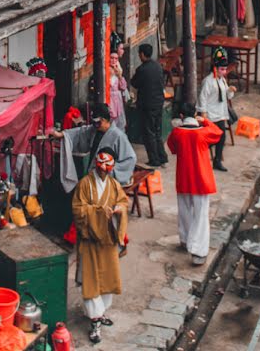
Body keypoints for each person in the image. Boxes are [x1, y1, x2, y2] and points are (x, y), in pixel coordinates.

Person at [71, 148, 129, 343]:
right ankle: (94, 321)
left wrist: (119, 209)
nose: (104, 169)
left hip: (108, 240)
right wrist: (98, 212)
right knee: (90, 280)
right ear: (96, 163)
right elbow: (78, 209)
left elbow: (122, 201)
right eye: (101, 165)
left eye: (108, 166)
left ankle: (101, 312)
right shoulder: (85, 184)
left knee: (107, 279)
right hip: (90, 240)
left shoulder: (114, 185)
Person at [167, 103, 224, 265]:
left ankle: (185, 239)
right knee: (201, 215)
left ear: (182, 117)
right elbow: (218, 132)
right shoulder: (204, 132)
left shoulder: (177, 133)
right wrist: (205, 121)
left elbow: (173, 148)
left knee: (184, 210)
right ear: (195, 114)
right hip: (201, 179)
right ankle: (198, 250)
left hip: (184, 177)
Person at [54, 103, 137, 192]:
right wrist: (63, 134)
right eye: (94, 123)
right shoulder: (94, 130)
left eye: (97, 123)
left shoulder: (119, 136)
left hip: (109, 178)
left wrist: (110, 170)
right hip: (94, 175)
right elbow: (80, 132)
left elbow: (130, 158)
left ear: (104, 120)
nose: (95, 125)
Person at [196, 47, 236, 171]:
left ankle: (217, 161)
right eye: (222, 69)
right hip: (210, 115)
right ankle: (200, 159)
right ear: (215, 68)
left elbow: (226, 96)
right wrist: (203, 114)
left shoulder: (222, 80)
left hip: (220, 114)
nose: (224, 72)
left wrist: (230, 91)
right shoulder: (208, 82)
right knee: (209, 140)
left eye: (225, 69)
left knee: (222, 137)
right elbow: (202, 98)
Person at [130, 44, 168, 167]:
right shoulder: (157, 66)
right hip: (158, 103)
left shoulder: (142, 70)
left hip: (147, 105)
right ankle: (162, 157)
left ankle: (154, 159)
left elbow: (134, 83)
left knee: (149, 133)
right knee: (157, 131)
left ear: (142, 54)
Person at [108, 51, 128, 131]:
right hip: (109, 99)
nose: (113, 60)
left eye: (116, 58)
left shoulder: (119, 70)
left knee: (119, 123)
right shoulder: (105, 71)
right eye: (112, 58)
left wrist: (119, 75)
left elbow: (123, 87)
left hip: (117, 100)